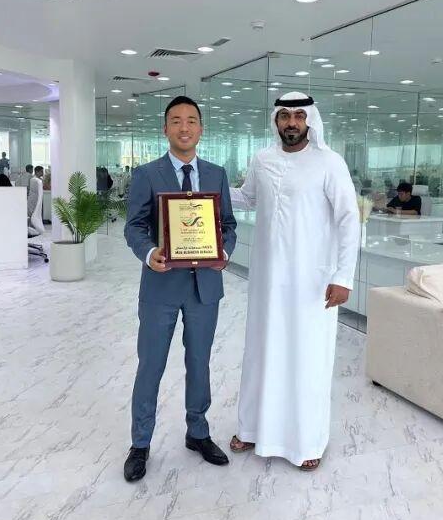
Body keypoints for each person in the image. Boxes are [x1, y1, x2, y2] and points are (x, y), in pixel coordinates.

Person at [228, 91, 359, 471]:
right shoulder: (262, 160)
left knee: (306, 358)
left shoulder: (329, 163)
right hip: (267, 281)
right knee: (261, 352)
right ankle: (252, 428)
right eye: (284, 115)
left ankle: (306, 441)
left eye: (298, 116)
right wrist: (205, 188)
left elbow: (349, 219)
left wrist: (343, 276)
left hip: (312, 282)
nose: (291, 123)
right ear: (276, 121)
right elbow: (246, 198)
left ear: (310, 121)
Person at [123, 95, 237, 482]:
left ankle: (198, 432)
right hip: (161, 287)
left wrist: (225, 252)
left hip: (205, 288)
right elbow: (134, 226)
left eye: (191, 121)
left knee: (199, 364)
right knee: (150, 366)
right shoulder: (147, 174)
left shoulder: (217, 174)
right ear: (165, 129)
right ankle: (140, 443)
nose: (184, 127)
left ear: (201, 129)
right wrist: (149, 252)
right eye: (176, 121)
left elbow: (228, 225)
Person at [28, 166, 45, 235]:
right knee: (33, 213)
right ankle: (32, 229)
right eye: (41, 171)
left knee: (36, 213)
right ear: (37, 172)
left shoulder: (37, 180)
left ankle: (34, 228)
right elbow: (36, 191)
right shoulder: (35, 180)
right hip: (34, 199)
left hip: (37, 199)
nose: (43, 173)